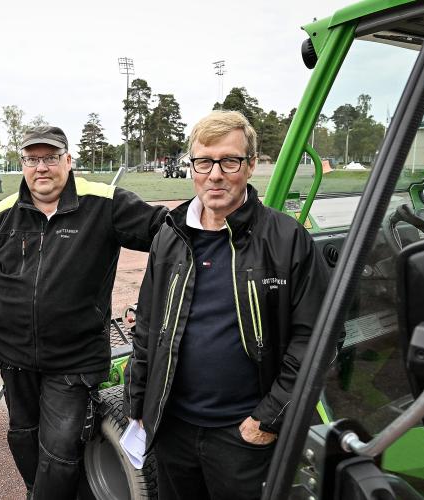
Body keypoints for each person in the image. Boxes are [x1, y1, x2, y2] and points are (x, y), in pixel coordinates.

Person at [124, 111, 329, 500]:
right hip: (174, 429)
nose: (215, 174)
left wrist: (267, 420)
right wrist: (139, 402)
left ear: (250, 166)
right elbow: (149, 326)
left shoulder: (287, 241)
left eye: (229, 161)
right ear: (192, 167)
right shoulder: (169, 236)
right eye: (204, 161)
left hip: (244, 437)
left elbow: (316, 339)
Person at [0, 126, 166, 499]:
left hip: (74, 359)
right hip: (13, 355)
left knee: (59, 449)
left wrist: (215, 208)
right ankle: (35, 490)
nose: (41, 167)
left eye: (50, 157)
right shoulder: (1, 213)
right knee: (23, 436)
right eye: (32, 159)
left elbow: (166, 231)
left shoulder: (105, 203)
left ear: (68, 160)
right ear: (22, 163)